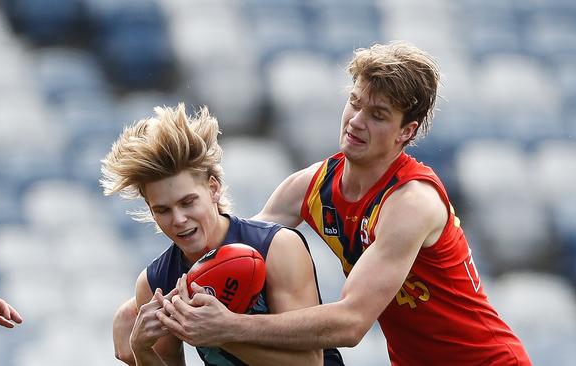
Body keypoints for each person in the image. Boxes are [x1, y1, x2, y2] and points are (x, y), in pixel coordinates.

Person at [154, 41, 532, 365]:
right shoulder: (312, 187)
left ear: (406, 132)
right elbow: (235, 248)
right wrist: (153, 303)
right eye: (355, 103)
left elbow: (351, 323)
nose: (356, 121)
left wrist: (230, 328)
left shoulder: (410, 202)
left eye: (378, 115)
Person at [101, 104, 344, 365]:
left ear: (213, 189)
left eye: (187, 202)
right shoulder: (156, 283)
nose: (179, 219)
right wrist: (142, 350)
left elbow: (309, 362)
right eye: (163, 210)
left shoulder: (277, 247)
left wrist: (219, 334)